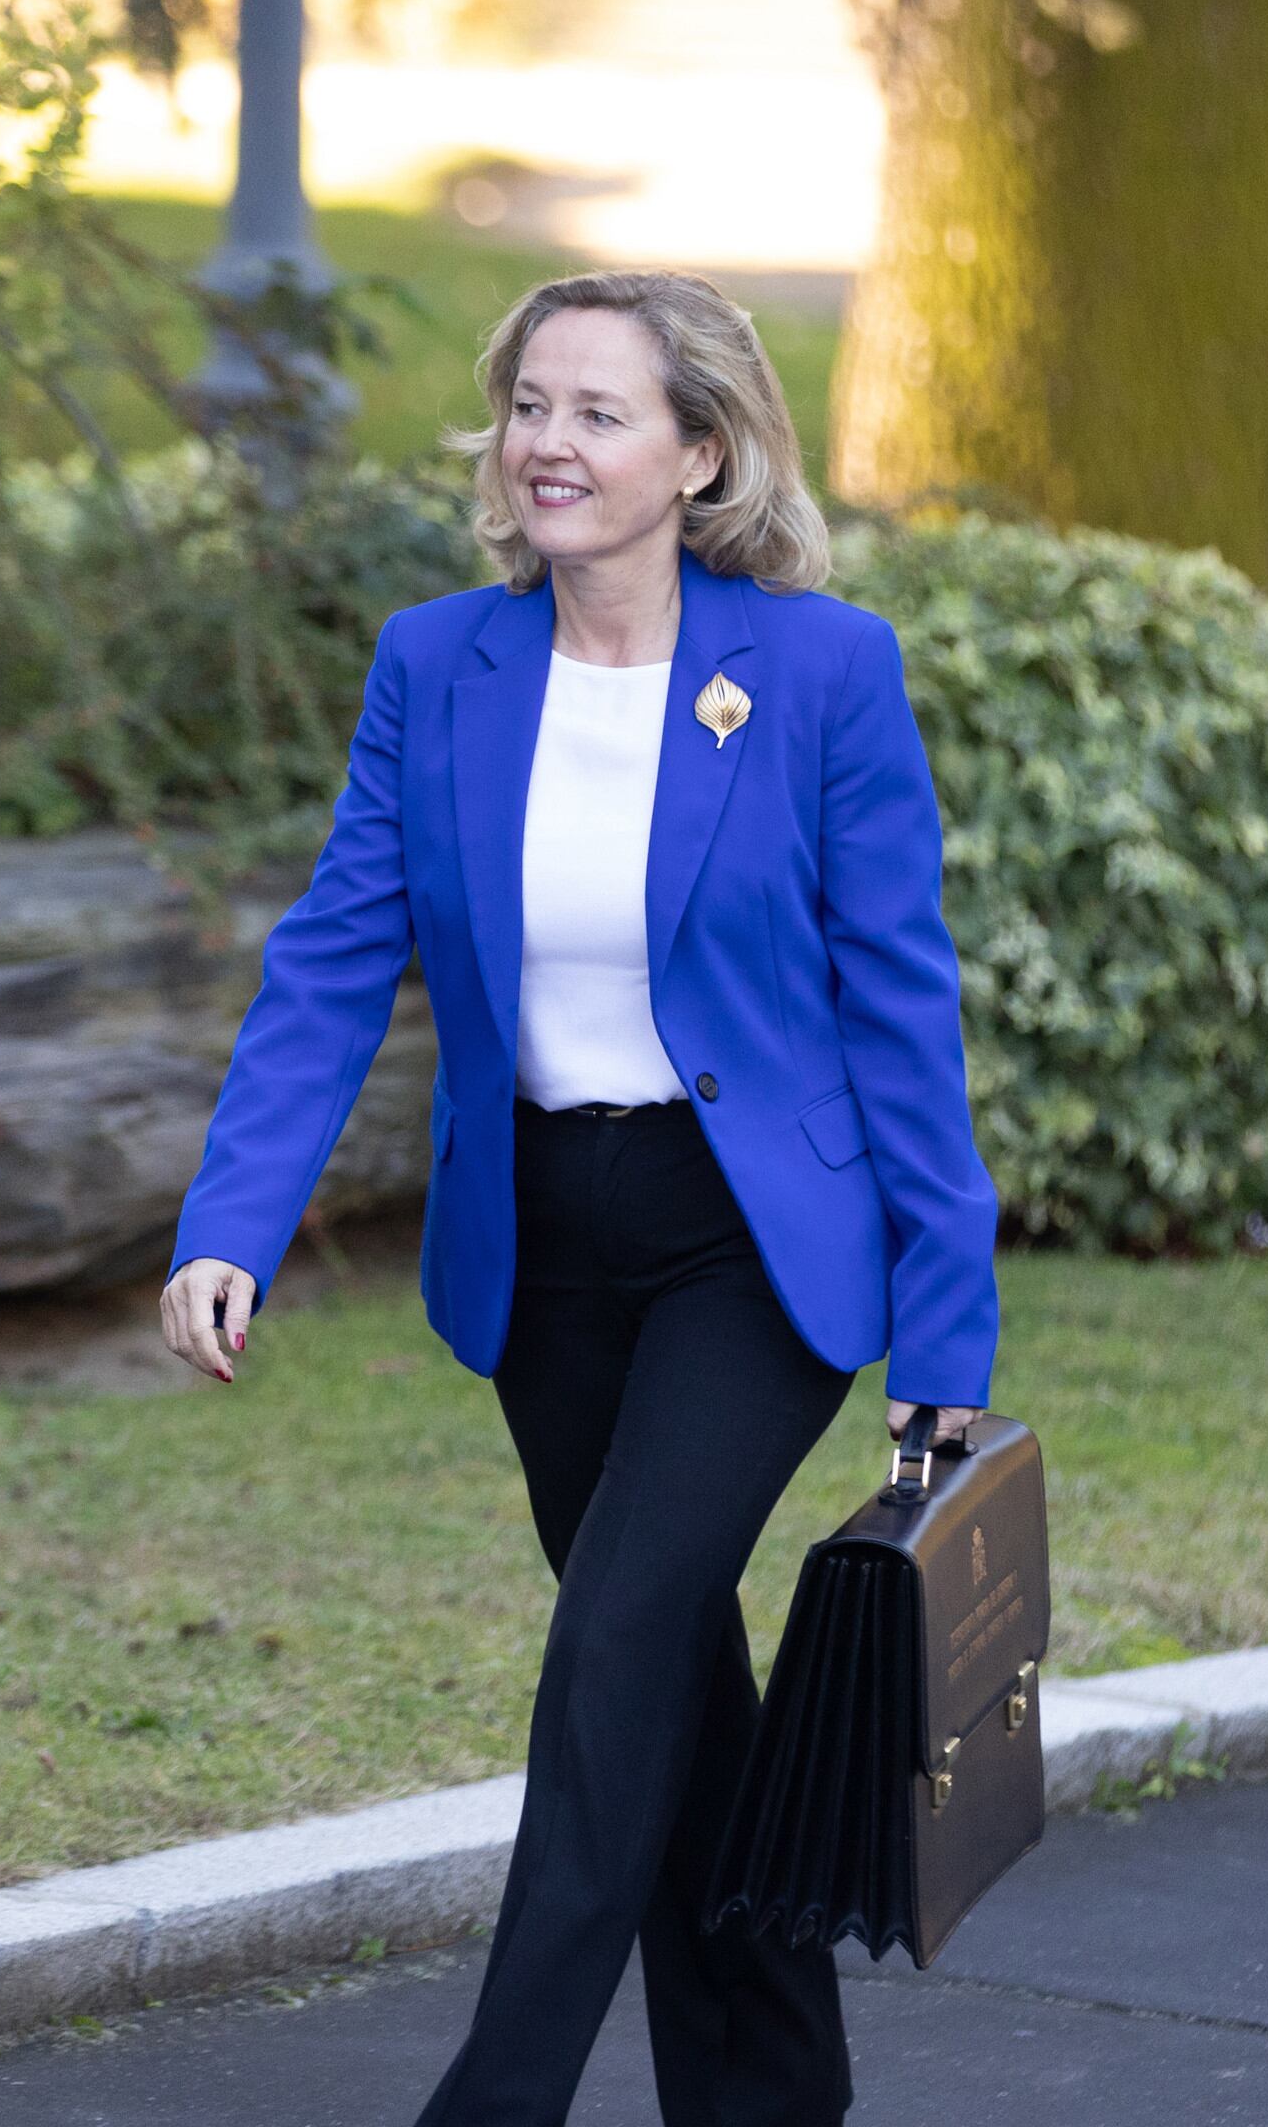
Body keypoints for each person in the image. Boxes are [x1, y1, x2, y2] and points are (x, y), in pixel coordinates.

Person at [156, 270, 1002, 2126]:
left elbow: (902, 1007)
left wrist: (946, 1337)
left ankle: (496, 2099)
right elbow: (334, 959)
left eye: (599, 413)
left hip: (749, 1244)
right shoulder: (436, 665)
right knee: (674, 1689)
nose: (548, 442)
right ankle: (771, 2095)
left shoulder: (820, 672)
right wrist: (232, 1222)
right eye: (531, 405)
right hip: (541, 1242)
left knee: (614, 1641)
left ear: (700, 455)